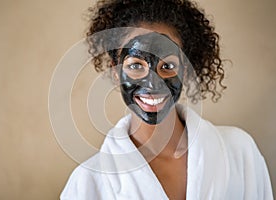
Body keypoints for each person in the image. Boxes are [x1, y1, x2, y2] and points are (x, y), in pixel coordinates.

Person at [60, 0, 274, 199]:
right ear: (116, 73)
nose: (153, 84)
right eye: (136, 66)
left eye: (168, 66)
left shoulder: (240, 151)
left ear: (186, 71)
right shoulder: (87, 184)